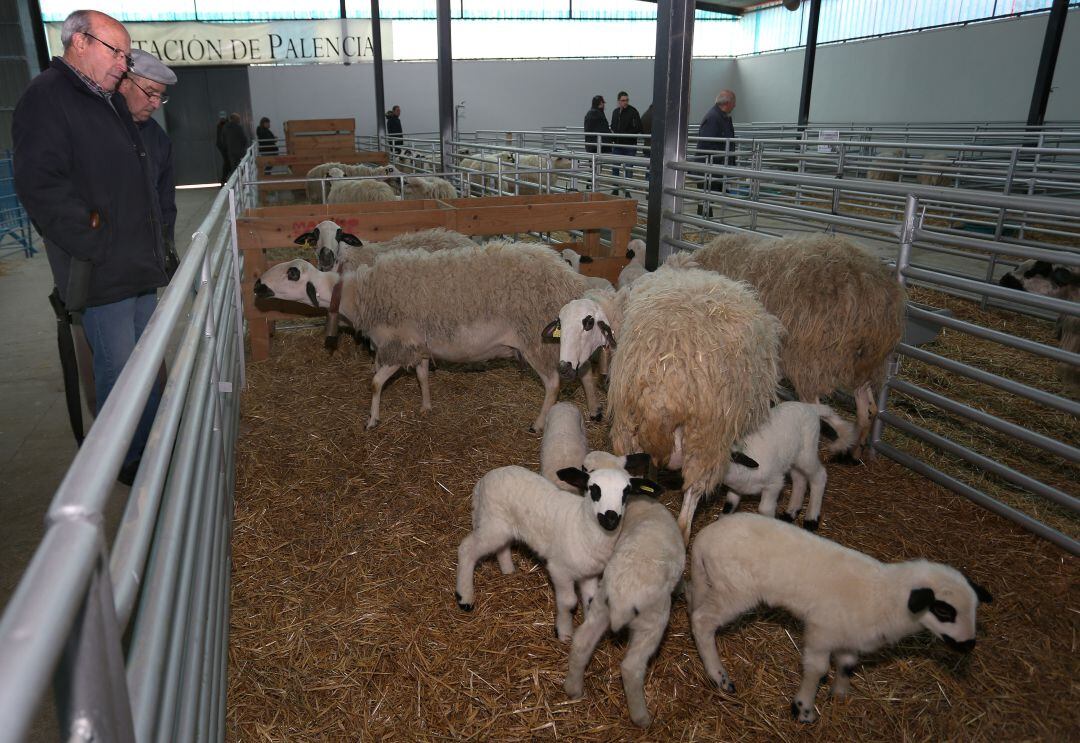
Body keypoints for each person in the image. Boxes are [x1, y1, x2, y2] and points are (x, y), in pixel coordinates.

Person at [13, 9, 170, 485]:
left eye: (125, 54)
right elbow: (40, 184)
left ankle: (152, 447)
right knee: (119, 372)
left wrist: (154, 243)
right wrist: (94, 240)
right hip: (102, 273)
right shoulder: (46, 98)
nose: (124, 63)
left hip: (137, 265)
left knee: (145, 366)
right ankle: (124, 460)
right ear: (79, 42)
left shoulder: (106, 100)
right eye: (115, 51)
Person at [118, 49, 178, 274]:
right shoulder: (96, 129)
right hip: (108, 265)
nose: (156, 104)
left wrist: (165, 245)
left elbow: (165, 200)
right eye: (150, 93)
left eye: (160, 96)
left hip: (147, 260)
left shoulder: (158, 139)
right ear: (124, 84)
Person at [698, 89, 737, 216]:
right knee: (706, 198)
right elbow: (707, 144)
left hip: (715, 166)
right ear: (728, 103)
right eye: (734, 102)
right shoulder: (714, 118)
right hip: (709, 167)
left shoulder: (721, 117)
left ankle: (704, 226)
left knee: (709, 198)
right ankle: (703, 227)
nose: (735, 105)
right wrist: (722, 160)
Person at [609, 90, 642, 193]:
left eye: (627, 100)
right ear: (619, 101)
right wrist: (614, 138)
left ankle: (627, 191)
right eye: (623, 100)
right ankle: (615, 189)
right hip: (618, 144)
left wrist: (625, 134)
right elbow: (613, 125)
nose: (625, 102)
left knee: (628, 169)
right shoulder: (615, 112)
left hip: (629, 145)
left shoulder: (633, 111)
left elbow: (638, 127)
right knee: (615, 167)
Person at [223, 112, 250, 177]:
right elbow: (243, 138)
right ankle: (243, 180)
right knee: (242, 166)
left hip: (230, 151)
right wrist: (245, 146)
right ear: (234, 119)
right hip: (240, 151)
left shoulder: (225, 127)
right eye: (238, 119)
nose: (239, 120)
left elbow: (223, 140)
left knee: (234, 168)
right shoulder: (238, 127)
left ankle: (236, 182)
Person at [215, 110, 229, 184]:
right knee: (227, 162)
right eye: (221, 117)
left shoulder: (223, 125)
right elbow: (220, 138)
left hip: (226, 146)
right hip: (224, 147)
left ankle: (224, 180)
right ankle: (224, 180)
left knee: (227, 163)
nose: (222, 118)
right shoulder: (220, 125)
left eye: (223, 117)